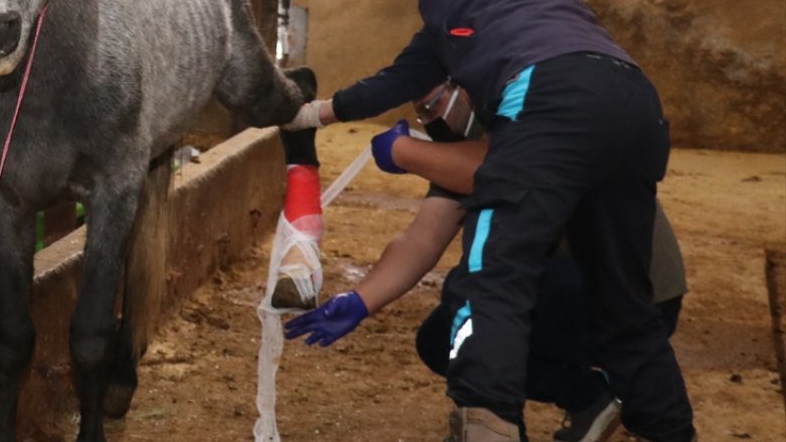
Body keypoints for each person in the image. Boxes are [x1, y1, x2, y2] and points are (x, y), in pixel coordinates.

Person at [220, 0, 695, 441]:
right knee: (624, 306)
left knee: (493, 277)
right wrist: (311, 114)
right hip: (629, 104)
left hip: (553, 93)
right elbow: (405, 75)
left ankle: (486, 425)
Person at [292, 80, 687, 442]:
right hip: (583, 295)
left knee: (479, 292)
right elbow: (420, 238)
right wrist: (361, 300)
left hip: (634, 302)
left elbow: (499, 172)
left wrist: (406, 152)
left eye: (436, 102)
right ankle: (590, 396)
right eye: (422, 111)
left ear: (467, 90)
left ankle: (496, 424)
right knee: (438, 338)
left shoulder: (523, 126)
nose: (431, 118)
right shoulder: (466, 151)